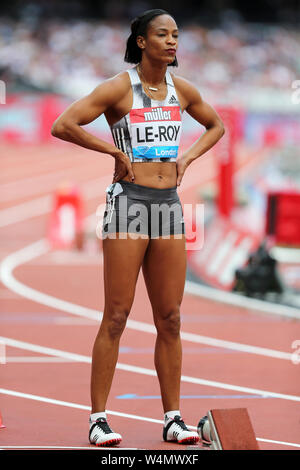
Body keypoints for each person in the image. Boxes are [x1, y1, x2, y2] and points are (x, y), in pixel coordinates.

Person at [51, 9, 225, 447]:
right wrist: (112, 151)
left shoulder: (181, 90)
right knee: (117, 314)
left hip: (168, 207)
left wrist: (186, 159)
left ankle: (172, 419)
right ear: (142, 42)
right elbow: (64, 124)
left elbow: (216, 126)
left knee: (171, 318)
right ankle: (98, 419)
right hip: (129, 205)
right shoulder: (118, 88)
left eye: (176, 35)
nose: (172, 41)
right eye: (163, 35)